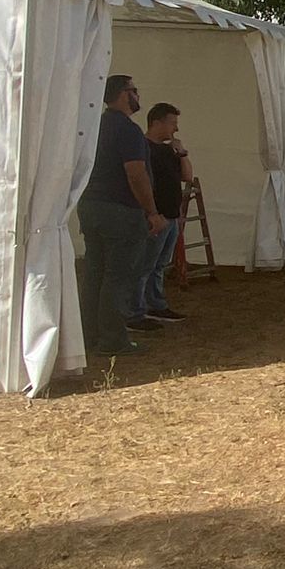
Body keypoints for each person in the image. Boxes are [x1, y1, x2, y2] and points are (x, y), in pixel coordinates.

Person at [77, 73, 169, 357]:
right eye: (134, 90)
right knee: (119, 276)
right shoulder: (127, 130)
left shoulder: (95, 126)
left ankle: (88, 335)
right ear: (122, 94)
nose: (138, 95)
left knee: (95, 273)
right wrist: (152, 212)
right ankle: (113, 339)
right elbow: (136, 173)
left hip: (91, 207)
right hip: (120, 211)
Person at [134, 102, 193, 325]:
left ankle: (156, 304)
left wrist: (182, 153)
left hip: (170, 215)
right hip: (155, 215)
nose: (175, 129)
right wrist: (152, 213)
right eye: (172, 123)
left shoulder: (169, 150)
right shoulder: (143, 148)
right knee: (145, 265)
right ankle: (137, 309)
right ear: (157, 123)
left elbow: (186, 176)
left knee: (159, 264)